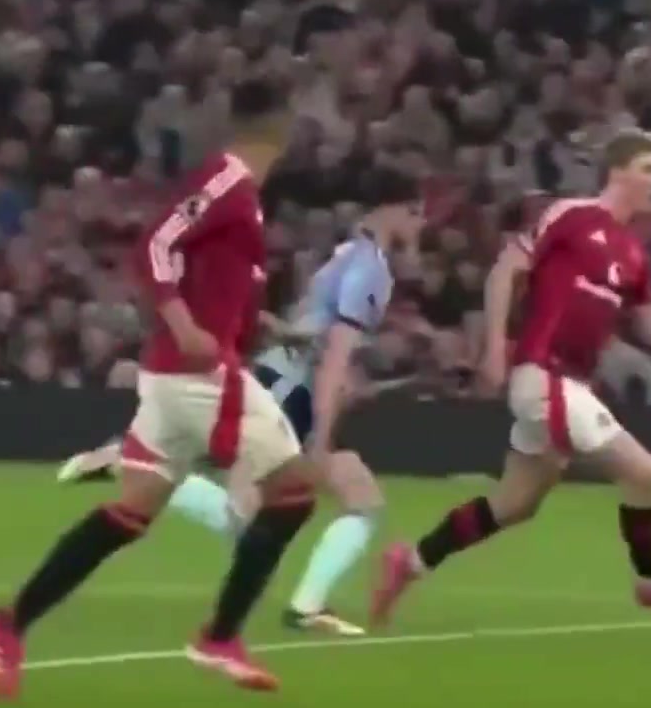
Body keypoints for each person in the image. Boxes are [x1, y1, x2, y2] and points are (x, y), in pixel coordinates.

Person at [369, 128, 651, 624]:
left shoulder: (633, 254)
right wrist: (493, 347)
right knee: (642, 472)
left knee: (515, 504)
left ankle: (409, 562)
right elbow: (505, 271)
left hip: (569, 384)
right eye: (648, 170)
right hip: (545, 375)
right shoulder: (572, 215)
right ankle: (650, 583)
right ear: (617, 171)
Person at [0, 81, 313, 700]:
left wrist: (268, 326)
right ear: (278, 127)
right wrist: (184, 324)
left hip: (176, 378)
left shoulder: (243, 196)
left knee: (129, 514)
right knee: (294, 491)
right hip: (198, 376)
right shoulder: (227, 180)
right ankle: (219, 636)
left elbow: (217, 281)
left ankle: (9, 627)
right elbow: (157, 242)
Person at [54, 169, 425, 638]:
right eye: (417, 215)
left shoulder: (346, 253)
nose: (421, 226)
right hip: (294, 393)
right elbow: (333, 357)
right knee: (249, 518)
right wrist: (322, 431)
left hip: (282, 379)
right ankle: (125, 460)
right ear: (397, 209)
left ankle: (306, 607)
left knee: (360, 498)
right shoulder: (370, 269)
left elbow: (306, 329)